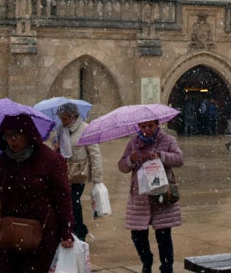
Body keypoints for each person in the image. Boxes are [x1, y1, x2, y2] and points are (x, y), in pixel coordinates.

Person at [0, 114, 75, 273]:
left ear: (28, 133)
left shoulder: (51, 160)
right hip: (7, 235)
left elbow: (63, 199)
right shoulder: (5, 159)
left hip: (40, 236)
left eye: (15, 135)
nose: (11, 140)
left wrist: (67, 232)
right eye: (7, 136)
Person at [117, 119, 183, 273]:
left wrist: (161, 156)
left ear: (157, 125)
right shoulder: (133, 142)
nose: (147, 129)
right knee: (137, 234)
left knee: (164, 234)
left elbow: (179, 159)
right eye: (143, 126)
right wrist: (130, 160)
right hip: (140, 195)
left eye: (150, 126)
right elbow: (121, 166)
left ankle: (167, 267)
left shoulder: (167, 140)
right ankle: (147, 260)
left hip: (161, 193)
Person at [55, 102, 102, 241]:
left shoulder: (86, 129)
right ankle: (69, 228)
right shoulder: (60, 130)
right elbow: (56, 151)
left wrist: (97, 178)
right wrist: (56, 148)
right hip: (63, 172)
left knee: (73, 200)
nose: (63, 121)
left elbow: (95, 154)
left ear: (73, 116)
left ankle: (79, 230)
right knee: (64, 202)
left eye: (65, 118)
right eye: (61, 118)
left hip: (78, 173)